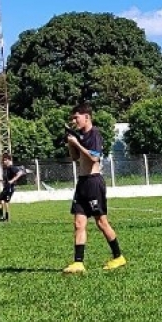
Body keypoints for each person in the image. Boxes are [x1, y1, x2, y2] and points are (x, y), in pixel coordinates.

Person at [62, 103, 126, 273]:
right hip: (82, 182)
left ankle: (118, 257)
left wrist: (78, 142)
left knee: (101, 222)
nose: (74, 121)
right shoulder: (81, 135)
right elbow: (75, 157)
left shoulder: (94, 134)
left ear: (87, 117)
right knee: (78, 223)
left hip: (93, 182)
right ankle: (78, 262)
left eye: (77, 117)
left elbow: (94, 158)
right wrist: (71, 143)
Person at [0, 154, 25, 222]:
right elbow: (8, 177)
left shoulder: (12, 167)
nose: (4, 161)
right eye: (3, 160)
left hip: (10, 188)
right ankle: (1, 216)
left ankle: (6, 218)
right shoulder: (7, 168)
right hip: (6, 187)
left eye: (6, 160)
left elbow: (20, 173)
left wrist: (12, 180)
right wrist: (2, 179)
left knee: (6, 202)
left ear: (9, 160)